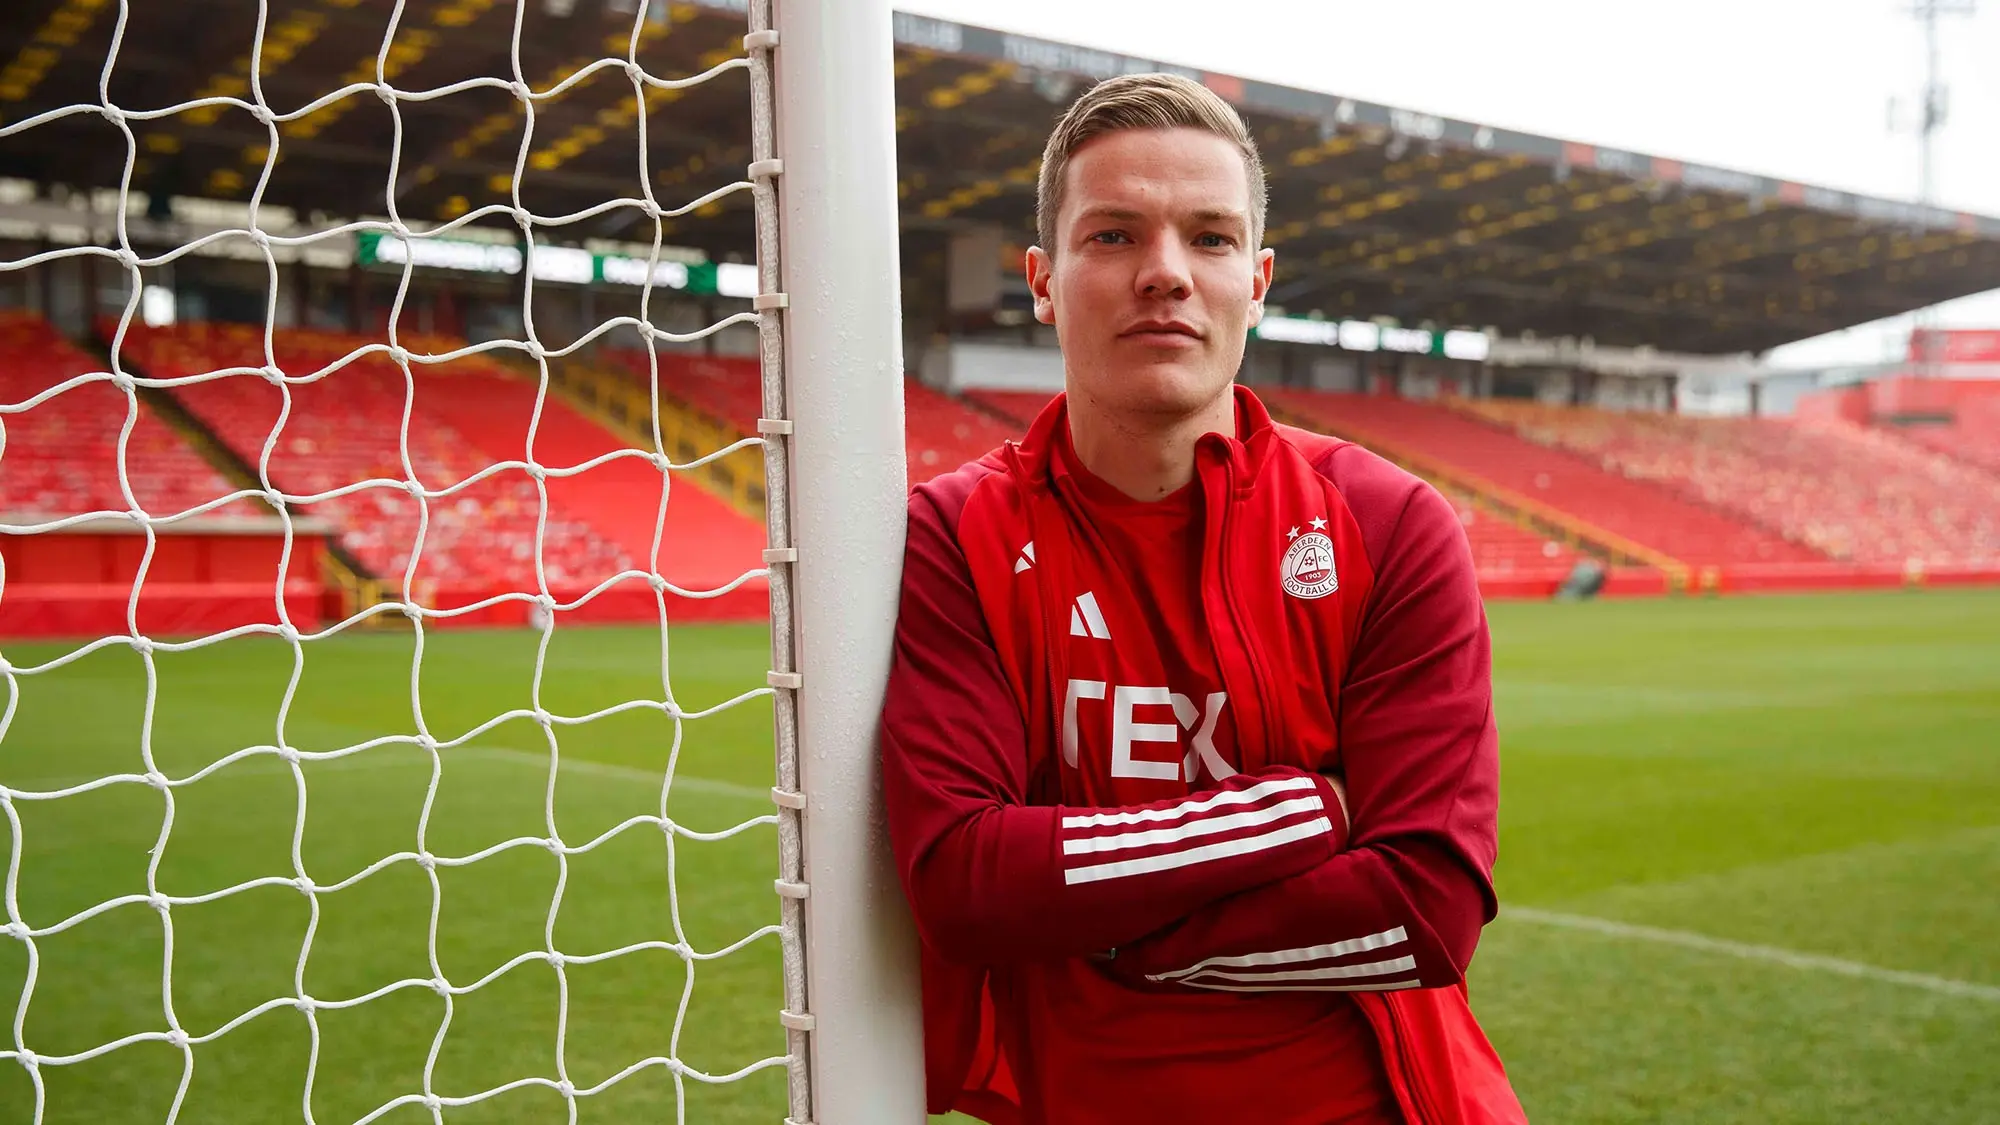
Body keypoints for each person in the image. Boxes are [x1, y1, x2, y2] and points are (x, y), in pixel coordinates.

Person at [880, 72, 1525, 1125]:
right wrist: (1303, 810)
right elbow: (961, 884)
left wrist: (1100, 931)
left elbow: (1426, 909)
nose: (1164, 274)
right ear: (1040, 279)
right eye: (1113, 236)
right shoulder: (955, 537)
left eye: (1210, 238)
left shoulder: (1389, 522)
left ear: (1257, 279)